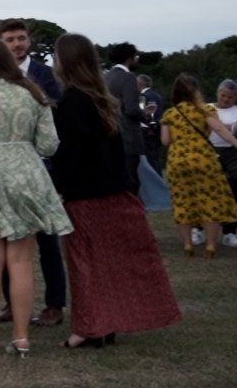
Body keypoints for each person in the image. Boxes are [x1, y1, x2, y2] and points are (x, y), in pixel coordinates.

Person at [48, 34, 180, 349]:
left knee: (84, 264)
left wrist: (59, 189)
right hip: (112, 191)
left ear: (67, 61)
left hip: (85, 194)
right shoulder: (100, 97)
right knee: (107, 264)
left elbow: (70, 154)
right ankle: (105, 324)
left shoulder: (74, 100)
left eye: (56, 56)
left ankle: (89, 328)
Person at [0, 38, 72, 358]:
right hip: (25, 176)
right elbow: (49, 145)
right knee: (21, 262)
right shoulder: (33, 94)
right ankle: (21, 337)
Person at [0, 19, 68, 326]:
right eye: (10, 39)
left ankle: (54, 305)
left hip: (41, 168)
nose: (16, 44)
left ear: (30, 41)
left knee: (47, 241)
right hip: (3, 171)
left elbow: (57, 118)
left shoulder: (45, 75)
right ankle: (12, 303)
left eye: (21, 38)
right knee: (4, 238)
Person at [161, 74, 237, 257]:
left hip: (178, 161)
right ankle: (210, 245)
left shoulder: (169, 113)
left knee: (183, 201)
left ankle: (188, 244)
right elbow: (219, 129)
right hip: (204, 159)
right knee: (211, 200)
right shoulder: (203, 110)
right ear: (195, 91)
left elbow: (165, 141)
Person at [212, 80, 237, 248]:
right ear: (217, 93)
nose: (226, 99)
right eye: (223, 95)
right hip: (210, 151)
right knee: (208, 190)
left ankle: (230, 231)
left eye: (230, 97)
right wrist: (228, 127)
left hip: (234, 153)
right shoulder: (208, 108)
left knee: (235, 191)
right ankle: (199, 228)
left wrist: (220, 126)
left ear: (236, 98)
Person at [102, 42, 147, 187]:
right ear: (129, 58)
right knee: (132, 180)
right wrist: (146, 117)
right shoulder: (128, 77)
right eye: (136, 57)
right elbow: (131, 109)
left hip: (109, 134)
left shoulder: (106, 77)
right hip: (128, 135)